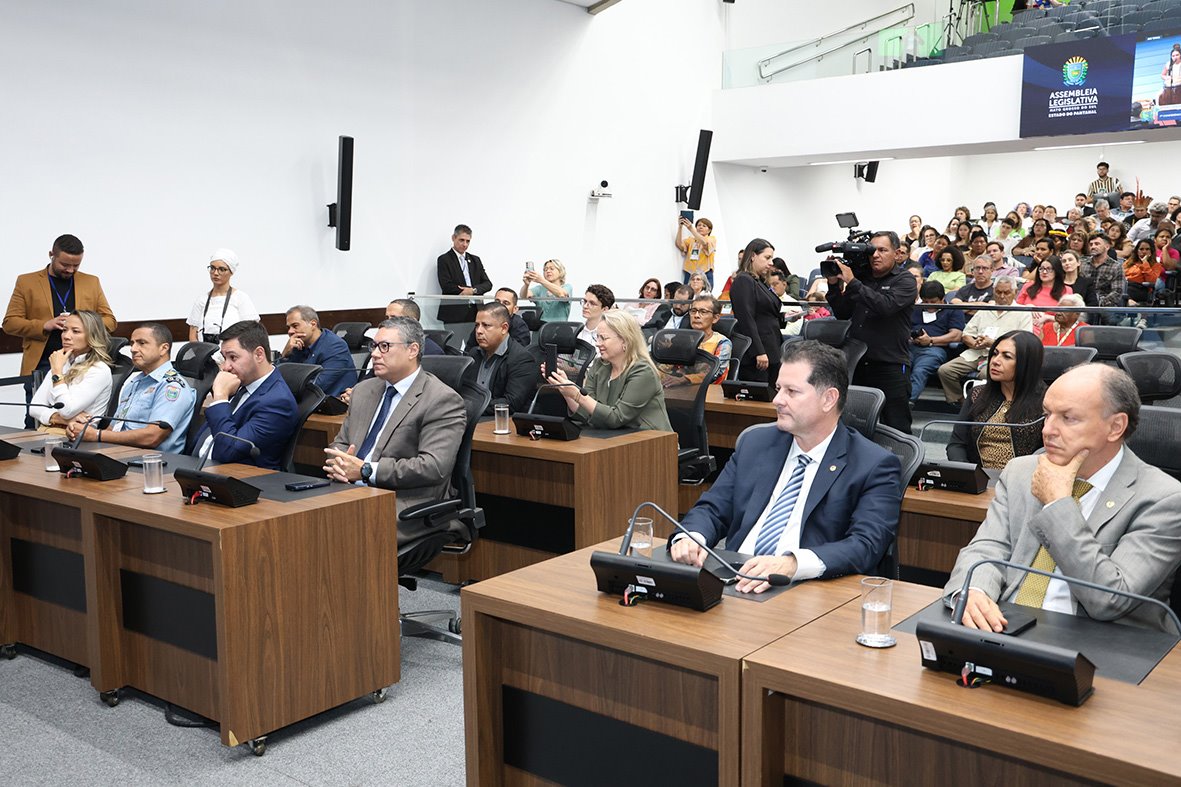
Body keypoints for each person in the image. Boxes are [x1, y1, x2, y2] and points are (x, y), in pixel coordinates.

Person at [944, 365, 1181, 633]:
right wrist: (974, 591)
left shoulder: (1164, 500)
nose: (1048, 430)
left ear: (1115, 427)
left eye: (1068, 418)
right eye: (1047, 415)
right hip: (1007, 625)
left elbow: (1110, 600)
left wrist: (1057, 504)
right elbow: (988, 547)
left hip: (1096, 641)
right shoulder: (1022, 471)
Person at [669, 340, 902, 591]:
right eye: (779, 388)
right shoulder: (756, 443)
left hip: (807, 589)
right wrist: (691, 537)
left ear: (828, 399)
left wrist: (793, 564)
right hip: (735, 580)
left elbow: (865, 545)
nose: (777, 400)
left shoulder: (874, 465)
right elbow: (713, 508)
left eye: (792, 391)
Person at [323, 317, 466, 535]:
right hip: (348, 491)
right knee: (298, 518)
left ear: (412, 350)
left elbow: (433, 467)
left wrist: (365, 470)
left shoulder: (441, 399)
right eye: (374, 346)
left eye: (384, 346)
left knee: (335, 533)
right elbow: (339, 444)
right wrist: (340, 465)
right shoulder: (363, 391)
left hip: (404, 501)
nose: (374, 354)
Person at [4, 234, 117, 426]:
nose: (70, 270)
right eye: (65, 264)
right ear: (51, 255)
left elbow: (110, 321)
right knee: (33, 422)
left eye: (76, 265)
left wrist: (84, 323)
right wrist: (44, 325)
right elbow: (10, 323)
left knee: (72, 412)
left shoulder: (91, 282)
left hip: (82, 361)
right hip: (42, 361)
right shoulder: (27, 282)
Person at [826, 230, 917, 433]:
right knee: (856, 424)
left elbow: (885, 306)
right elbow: (843, 312)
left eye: (883, 250)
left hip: (890, 364)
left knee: (896, 426)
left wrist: (853, 282)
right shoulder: (863, 278)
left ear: (897, 253)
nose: (875, 255)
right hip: (858, 363)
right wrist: (833, 285)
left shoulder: (905, 280)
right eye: (872, 251)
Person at [67, 323, 196, 453]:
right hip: (121, 454)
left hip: (152, 460)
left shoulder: (172, 386)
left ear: (163, 348)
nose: (133, 349)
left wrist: (96, 435)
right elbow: (114, 429)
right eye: (132, 343)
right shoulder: (134, 383)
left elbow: (152, 437)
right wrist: (82, 431)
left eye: (142, 343)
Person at [192, 320, 299, 471]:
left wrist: (220, 397)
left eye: (233, 357)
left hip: (239, 477)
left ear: (259, 354)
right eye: (224, 358)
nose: (225, 367)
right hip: (198, 467)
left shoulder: (278, 402)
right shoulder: (240, 383)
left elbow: (228, 451)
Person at [545, 310, 672, 432]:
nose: (597, 343)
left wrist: (577, 395)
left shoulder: (643, 371)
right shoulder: (599, 365)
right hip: (614, 439)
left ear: (625, 340)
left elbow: (616, 418)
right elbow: (587, 413)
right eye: (597, 337)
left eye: (603, 338)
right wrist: (565, 388)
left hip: (652, 442)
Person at [947, 330, 1045, 468]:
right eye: (994, 354)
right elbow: (956, 444)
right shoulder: (977, 394)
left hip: (1025, 477)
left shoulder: (1047, 400)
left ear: (1027, 363)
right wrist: (968, 473)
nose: (995, 361)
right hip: (979, 477)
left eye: (1007, 356)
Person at [937, 276, 1033, 406]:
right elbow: (966, 333)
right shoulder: (985, 309)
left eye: (1006, 292)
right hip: (976, 352)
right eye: (998, 292)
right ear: (993, 291)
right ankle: (961, 402)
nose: (1002, 296)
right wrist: (972, 343)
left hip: (1002, 356)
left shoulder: (1023, 313)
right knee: (945, 370)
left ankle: (988, 405)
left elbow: (1024, 343)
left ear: (1015, 293)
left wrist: (992, 343)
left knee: (985, 374)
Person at [28, 311, 114, 435]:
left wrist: (57, 373)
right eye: (64, 330)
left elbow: (66, 410)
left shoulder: (99, 370)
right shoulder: (62, 362)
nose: (66, 336)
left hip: (76, 437)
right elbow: (34, 408)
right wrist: (62, 419)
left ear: (92, 336)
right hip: (46, 431)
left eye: (75, 331)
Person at [463, 302, 539, 415]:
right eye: (477, 325)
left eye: (486, 325)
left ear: (504, 328)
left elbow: (511, 403)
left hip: (499, 420)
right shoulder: (474, 354)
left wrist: (470, 407)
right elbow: (464, 391)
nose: (479, 331)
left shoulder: (522, 359)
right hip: (468, 417)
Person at [730, 238, 785, 385]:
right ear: (753, 256)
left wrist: (786, 317)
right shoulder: (744, 280)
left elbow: (766, 314)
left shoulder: (758, 281)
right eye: (767, 257)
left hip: (771, 348)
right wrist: (758, 351)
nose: (771, 262)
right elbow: (746, 319)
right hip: (758, 354)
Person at [277, 305, 358, 397]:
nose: (290, 331)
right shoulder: (297, 345)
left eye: (295, 326)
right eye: (288, 327)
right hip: (304, 400)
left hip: (331, 401)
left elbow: (316, 386)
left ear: (313, 324)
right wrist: (285, 354)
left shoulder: (335, 346)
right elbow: (276, 380)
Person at [657, 294, 732, 387]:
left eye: (703, 312)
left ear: (715, 318)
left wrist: (685, 379)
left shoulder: (722, 343)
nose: (696, 316)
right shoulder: (683, 339)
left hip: (709, 390)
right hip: (680, 389)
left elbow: (716, 374)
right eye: (693, 311)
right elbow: (665, 366)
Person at [908, 282, 964, 405]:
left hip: (935, 349)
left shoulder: (953, 310)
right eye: (925, 302)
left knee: (920, 371)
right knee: (899, 368)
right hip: (910, 346)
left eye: (933, 302)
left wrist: (931, 340)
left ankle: (907, 402)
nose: (929, 305)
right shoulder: (915, 308)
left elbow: (956, 335)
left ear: (942, 298)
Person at [186, 249, 259, 342]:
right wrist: (199, 350)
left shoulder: (241, 298)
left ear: (231, 272)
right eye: (212, 268)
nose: (215, 273)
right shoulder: (201, 300)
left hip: (234, 350)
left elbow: (251, 332)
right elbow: (193, 335)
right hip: (203, 350)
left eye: (222, 269)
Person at [436, 224, 493, 324]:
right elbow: (446, 285)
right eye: (461, 240)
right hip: (454, 312)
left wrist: (473, 290)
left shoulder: (475, 260)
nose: (465, 244)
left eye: (468, 241)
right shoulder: (444, 259)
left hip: (476, 312)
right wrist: (465, 291)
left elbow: (488, 284)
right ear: (453, 238)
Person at [1080, 233, 1127, 325]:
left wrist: (1099, 303)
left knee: (1109, 317)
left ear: (1107, 247)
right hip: (1085, 303)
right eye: (1091, 244)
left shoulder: (1116, 266)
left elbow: (1117, 292)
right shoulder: (1083, 264)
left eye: (1097, 244)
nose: (1093, 247)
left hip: (1107, 305)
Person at [1017, 254, 1072, 329]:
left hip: (1053, 328)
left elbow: (1068, 318)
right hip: (1026, 326)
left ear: (1056, 271)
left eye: (1049, 269)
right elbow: (1015, 310)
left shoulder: (1066, 290)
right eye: (1041, 269)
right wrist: (1027, 307)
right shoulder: (1028, 286)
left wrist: (1047, 317)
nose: (1044, 272)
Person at [464, 288, 531, 348]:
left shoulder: (520, 326)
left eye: (506, 303)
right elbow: (469, 349)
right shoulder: (483, 321)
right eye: (497, 302)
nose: (500, 305)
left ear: (515, 309)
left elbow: (519, 352)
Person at [521, 259, 573, 323]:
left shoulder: (567, 287)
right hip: (541, 328)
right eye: (545, 269)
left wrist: (541, 280)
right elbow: (523, 296)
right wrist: (526, 285)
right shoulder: (540, 288)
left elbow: (562, 294)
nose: (548, 271)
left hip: (559, 327)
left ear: (560, 272)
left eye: (552, 269)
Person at [677, 216, 717, 288]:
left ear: (709, 230)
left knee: (705, 293)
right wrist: (680, 227)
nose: (701, 227)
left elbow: (704, 243)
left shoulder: (711, 239)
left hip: (705, 272)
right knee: (687, 293)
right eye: (699, 225)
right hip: (690, 273)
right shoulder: (691, 240)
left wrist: (691, 228)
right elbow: (679, 245)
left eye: (704, 226)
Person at [577, 284, 614, 352]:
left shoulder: (611, 336)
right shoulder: (576, 331)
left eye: (592, 303)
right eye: (585, 301)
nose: (585, 306)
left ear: (605, 309)